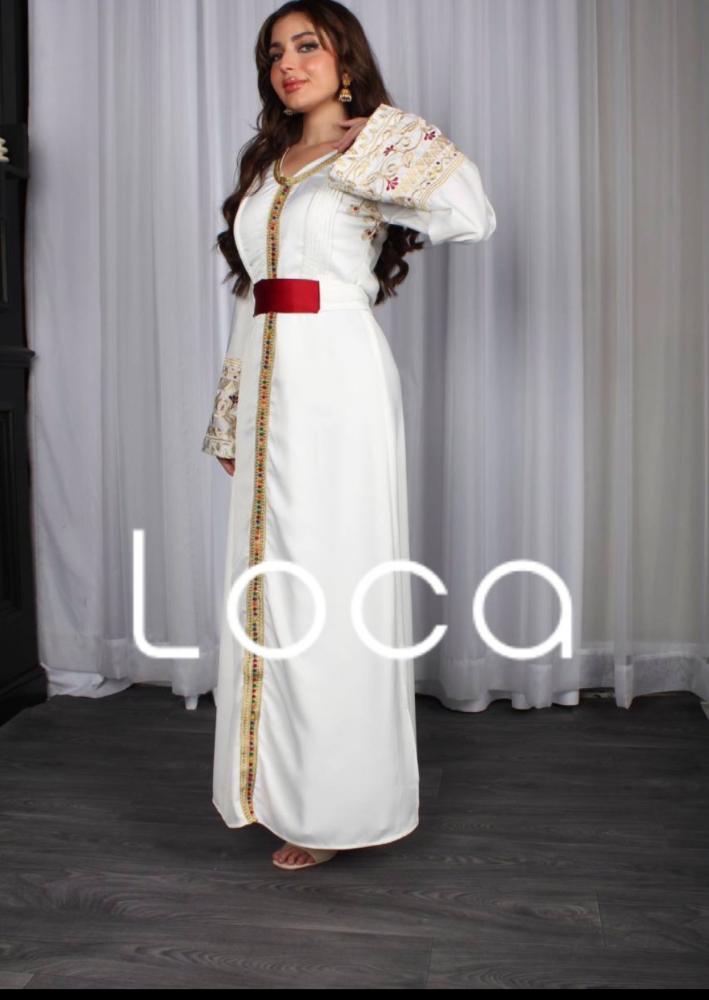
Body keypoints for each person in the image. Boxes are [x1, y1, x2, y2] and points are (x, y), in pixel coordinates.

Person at [202, 0, 496, 871]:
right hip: (268, 380)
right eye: (273, 53)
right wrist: (229, 415)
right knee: (270, 590)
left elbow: (471, 214)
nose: (286, 64)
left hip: (337, 381)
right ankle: (275, 790)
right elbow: (255, 297)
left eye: (306, 46)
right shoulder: (268, 165)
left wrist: (392, 138)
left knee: (329, 584)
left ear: (345, 59)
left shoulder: (368, 149)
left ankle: (335, 805)